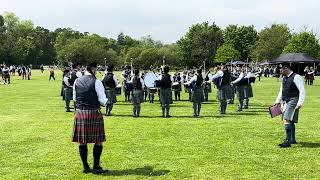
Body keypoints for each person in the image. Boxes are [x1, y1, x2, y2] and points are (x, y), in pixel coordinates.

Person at [72, 62, 108, 174]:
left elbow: (74, 98)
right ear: (92, 69)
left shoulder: (77, 81)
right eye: (96, 69)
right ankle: (96, 166)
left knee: (82, 141)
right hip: (93, 113)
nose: (96, 71)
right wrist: (106, 102)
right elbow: (102, 100)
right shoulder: (96, 81)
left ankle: (86, 167)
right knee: (98, 141)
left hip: (80, 112)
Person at [275, 64, 305, 148]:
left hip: (293, 99)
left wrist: (300, 103)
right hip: (286, 101)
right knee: (290, 120)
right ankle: (292, 139)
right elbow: (281, 90)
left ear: (286, 68)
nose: (280, 71)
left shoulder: (297, 77)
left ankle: (287, 141)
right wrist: (278, 101)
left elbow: (302, 90)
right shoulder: (284, 78)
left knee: (286, 118)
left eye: (281, 69)